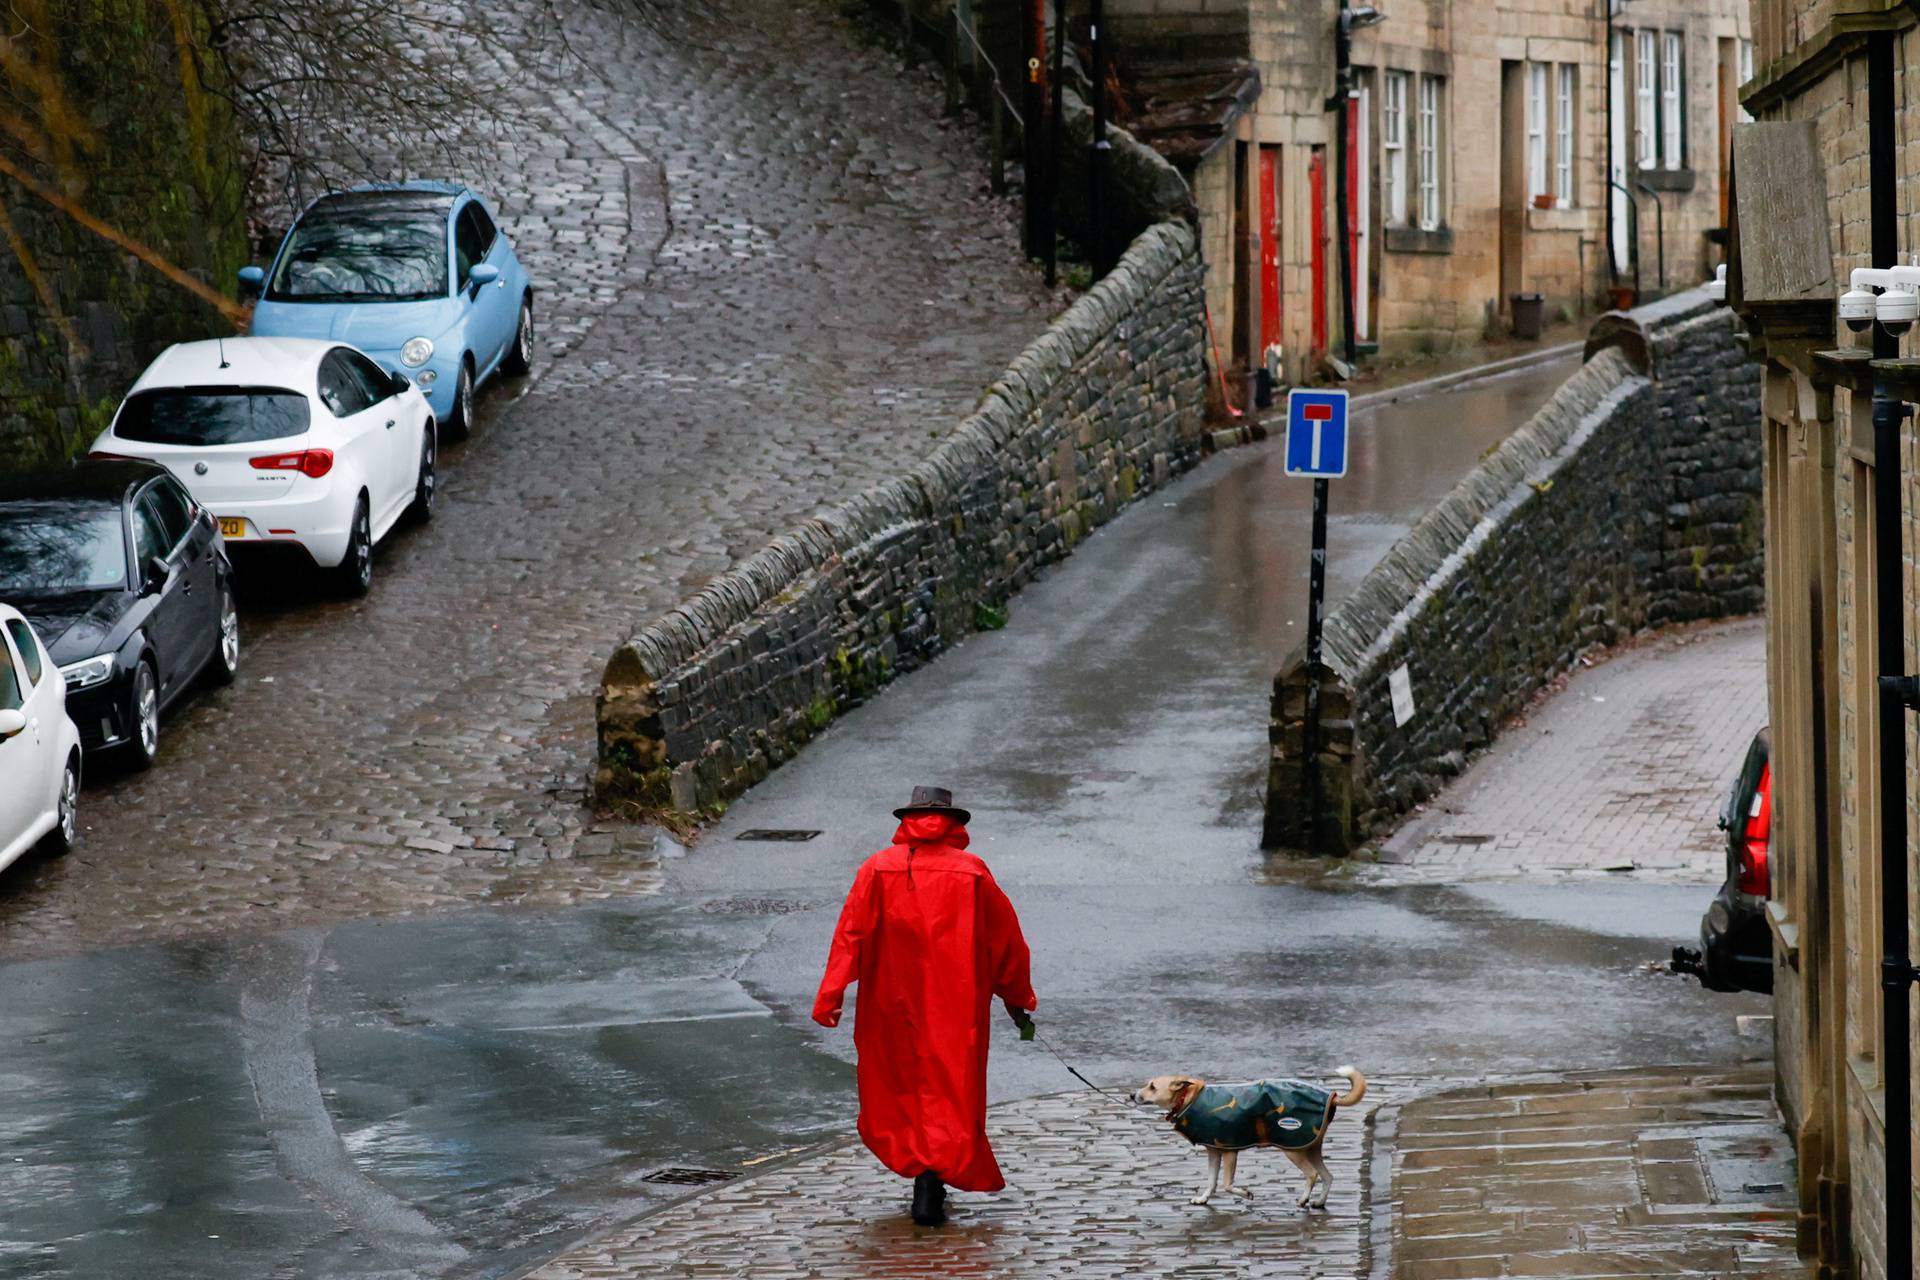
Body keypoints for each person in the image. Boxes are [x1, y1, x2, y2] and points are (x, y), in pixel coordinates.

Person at [812, 786, 1037, 1226]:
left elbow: (850, 934)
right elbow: (1004, 940)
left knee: (898, 1084)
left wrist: (832, 993)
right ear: (955, 824)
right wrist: (1016, 999)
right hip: (957, 1000)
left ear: (905, 822)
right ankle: (932, 1180)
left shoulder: (876, 869)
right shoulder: (971, 872)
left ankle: (923, 1176)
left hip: (888, 999)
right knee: (951, 1085)